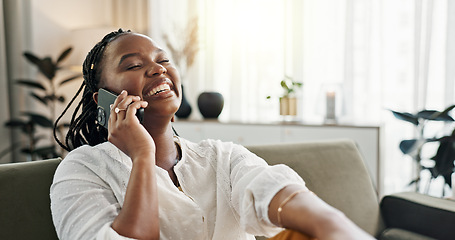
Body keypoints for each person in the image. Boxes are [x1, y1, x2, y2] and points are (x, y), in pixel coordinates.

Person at [51, 29, 376, 240]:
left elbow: (272, 189)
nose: (158, 68)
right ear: (103, 99)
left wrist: (335, 227)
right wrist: (141, 155)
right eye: (134, 65)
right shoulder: (81, 169)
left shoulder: (221, 156)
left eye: (163, 60)